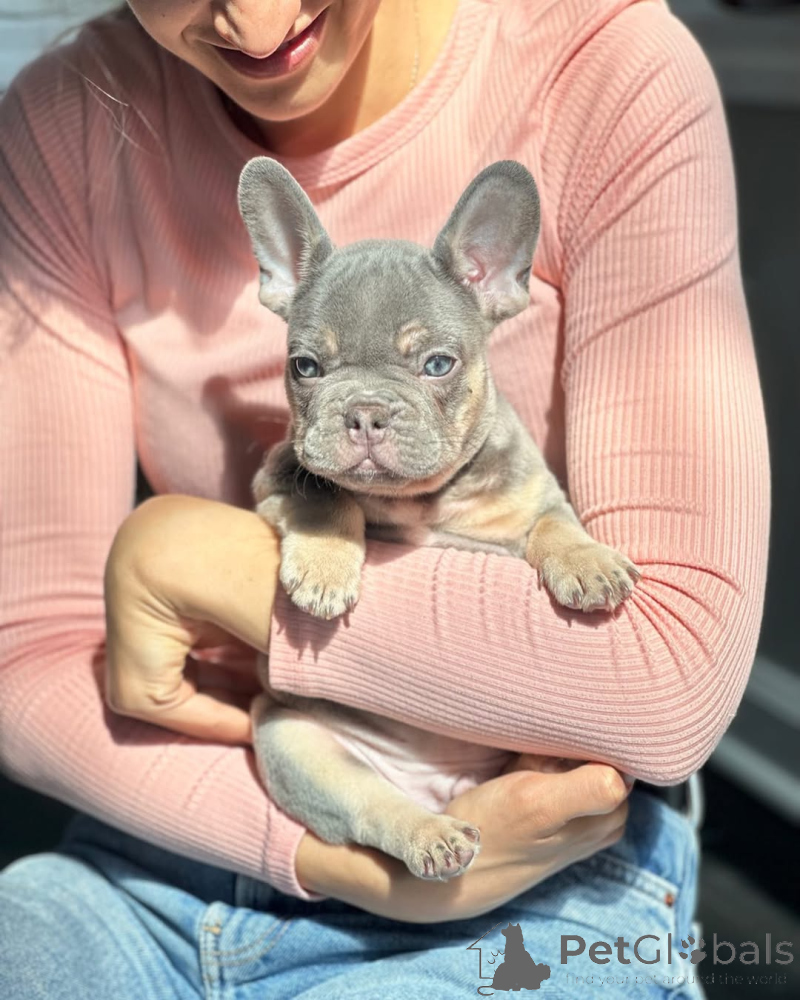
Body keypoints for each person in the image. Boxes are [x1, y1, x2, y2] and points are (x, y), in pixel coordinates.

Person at [0, 0, 770, 996]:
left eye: (430, 366)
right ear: (278, 279)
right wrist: (347, 858)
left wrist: (188, 560)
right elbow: (28, 661)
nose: (253, 20)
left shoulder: (603, 66)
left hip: (528, 870)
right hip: (179, 836)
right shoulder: (65, 121)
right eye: (314, 369)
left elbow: (666, 686)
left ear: (492, 281)